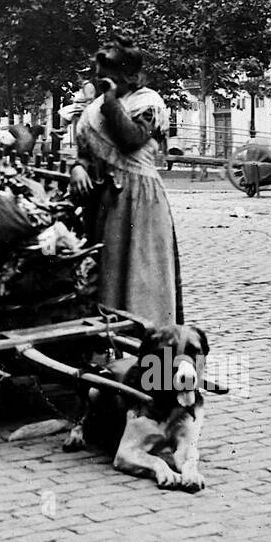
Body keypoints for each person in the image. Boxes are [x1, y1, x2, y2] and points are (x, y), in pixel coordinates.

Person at [71, 39, 182, 328]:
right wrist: (78, 168)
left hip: (142, 197)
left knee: (143, 268)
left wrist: (110, 101)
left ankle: (148, 334)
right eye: (98, 73)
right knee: (110, 268)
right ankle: (112, 338)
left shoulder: (148, 102)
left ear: (130, 76)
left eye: (108, 74)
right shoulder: (93, 111)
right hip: (109, 199)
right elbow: (84, 153)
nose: (100, 79)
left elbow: (131, 138)